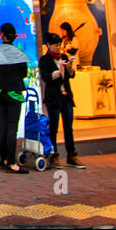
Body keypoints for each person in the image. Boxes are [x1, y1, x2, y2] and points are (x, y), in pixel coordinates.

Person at [40, 32, 86, 169]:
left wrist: (70, 68)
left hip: (66, 97)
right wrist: (57, 72)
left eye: (59, 45)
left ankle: (72, 155)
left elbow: (71, 76)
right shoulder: (45, 60)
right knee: (53, 127)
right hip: (53, 98)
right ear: (48, 45)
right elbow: (46, 78)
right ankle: (53, 154)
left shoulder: (64, 57)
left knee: (68, 127)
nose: (58, 47)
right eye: (55, 45)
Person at [0, 23, 29, 174]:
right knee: (12, 127)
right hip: (13, 93)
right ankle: (12, 162)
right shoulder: (17, 52)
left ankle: (3, 158)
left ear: (2, 35)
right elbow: (24, 73)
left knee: (3, 126)